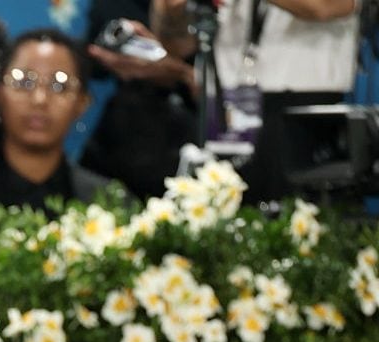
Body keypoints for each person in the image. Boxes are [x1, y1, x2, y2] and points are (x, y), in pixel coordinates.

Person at [152, 0, 359, 206]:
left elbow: (325, 6)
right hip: (225, 114)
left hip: (305, 117)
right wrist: (172, 12)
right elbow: (176, 46)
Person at [0, 28, 115, 217]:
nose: (40, 99)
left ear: (82, 103)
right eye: (24, 82)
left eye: (59, 85)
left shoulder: (109, 206)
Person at [80, 0, 198, 200]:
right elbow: (93, 60)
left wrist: (180, 73)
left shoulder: (218, 11)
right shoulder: (114, 7)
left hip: (194, 131)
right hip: (126, 133)